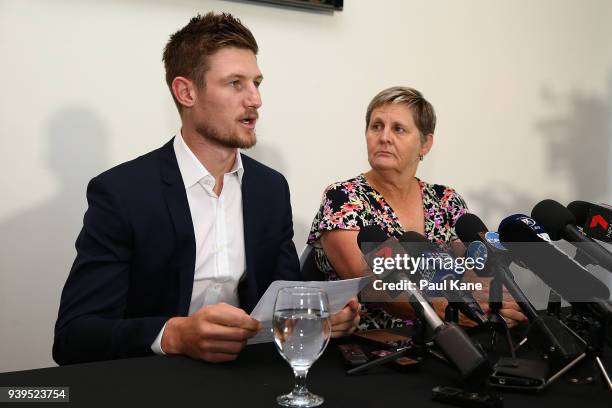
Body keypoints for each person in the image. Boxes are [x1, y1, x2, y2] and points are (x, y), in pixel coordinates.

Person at [53, 12, 359, 365]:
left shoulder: (270, 189)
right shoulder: (121, 193)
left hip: (248, 379)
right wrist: (174, 335)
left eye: (257, 83)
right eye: (235, 83)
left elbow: (284, 301)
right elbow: (74, 337)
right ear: (186, 91)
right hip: (154, 381)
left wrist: (318, 319)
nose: (255, 99)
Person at [307, 86, 526, 330]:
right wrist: (451, 309)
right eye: (376, 126)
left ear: (425, 143)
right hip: (375, 344)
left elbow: (476, 274)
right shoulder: (343, 199)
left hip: (452, 340)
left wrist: (495, 302)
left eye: (398, 129)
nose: (384, 137)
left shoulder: (446, 200)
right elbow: (373, 286)